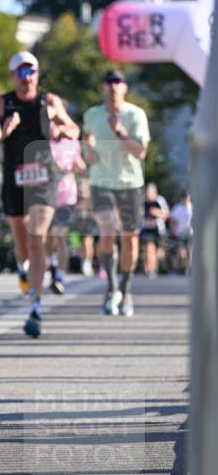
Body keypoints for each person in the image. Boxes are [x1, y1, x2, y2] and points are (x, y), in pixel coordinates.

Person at [0, 51, 80, 338]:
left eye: (31, 72)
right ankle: (22, 267)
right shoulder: (1, 103)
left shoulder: (49, 101)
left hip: (44, 177)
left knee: (37, 236)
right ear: (12, 76)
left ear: (38, 74)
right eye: (21, 73)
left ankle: (35, 307)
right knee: (22, 244)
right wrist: (4, 131)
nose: (27, 78)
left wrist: (63, 129)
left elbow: (74, 128)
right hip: (14, 178)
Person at [82, 68, 150, 316]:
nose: (113, 87)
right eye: (109, 82)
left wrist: (119, 130)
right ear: (102, 87)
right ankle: (111, 289)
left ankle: (126, 289)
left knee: (130, 238)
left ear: (125, 88)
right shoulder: (92, 114)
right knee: (107, 233)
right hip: (101, 182)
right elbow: (86, 138)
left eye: (118, 82)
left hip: (130, 183)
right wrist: (87, 152)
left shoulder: (136, 115)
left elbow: (140, 152)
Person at [47, 119, 86, 294]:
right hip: (46, 197)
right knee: (47, 240)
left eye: (56, 124)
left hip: (66, 196)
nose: (54, 128)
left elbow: (80, 164)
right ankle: (52, 266)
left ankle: (59, 277)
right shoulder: (43, 144)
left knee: (60, 236)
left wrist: (76, 166)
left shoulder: (71, 144)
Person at [140, 181, 170, 277]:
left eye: (150, 192)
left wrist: (157, 213)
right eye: (146, 192)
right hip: (147, 229)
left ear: (155, 192)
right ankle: (149, 270)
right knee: (149, 249)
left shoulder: (160, 200)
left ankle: (154, 269)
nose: (148, 194)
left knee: (159, 253)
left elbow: (166, 214)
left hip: (158, 230)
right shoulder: (142, 201)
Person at [169, 190, 193, 274]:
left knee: (190, 251)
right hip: (180, 233)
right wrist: (173, 230)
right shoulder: (177, 208)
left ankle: (188, 269)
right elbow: (172, 220)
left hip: (190, 233)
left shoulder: (192, 207)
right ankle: (180, 267)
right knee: (181, 252)